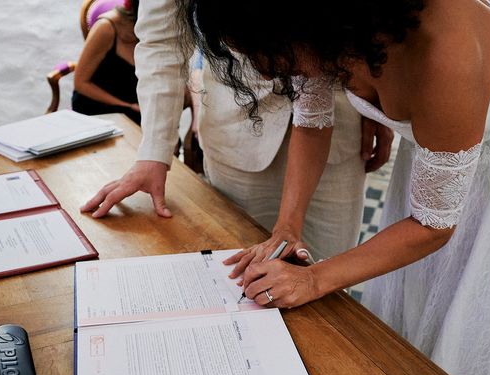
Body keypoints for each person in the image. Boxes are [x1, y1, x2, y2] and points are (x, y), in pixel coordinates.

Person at [180, 0, 490, 375]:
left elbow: (434, 225)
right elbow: (311, 124)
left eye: (267, 53)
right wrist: (287, 227)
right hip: (440, 162)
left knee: (477, 332)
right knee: (416, 307)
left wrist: (314, 279)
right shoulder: (332, 31)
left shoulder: (447, 53)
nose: (267, 73)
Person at [81, 0, 393, 265]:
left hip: (339, 119)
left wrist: (378, 94)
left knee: (331, 274)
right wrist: (153, 153)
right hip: (237, 127)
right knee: (236, 275)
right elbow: (163, 40)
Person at [72, 0, 141, 124]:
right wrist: (127, 106)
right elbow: (80, 83)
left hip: (134, 106)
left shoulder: (154, 32)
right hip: (98, 107)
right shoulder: (106, 27)